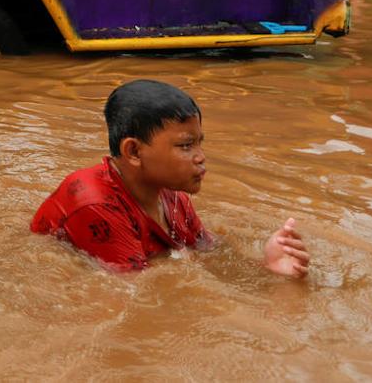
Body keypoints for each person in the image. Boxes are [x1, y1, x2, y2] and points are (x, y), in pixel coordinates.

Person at [30, 79, 309, 277]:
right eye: (186, 146)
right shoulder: (95, 205)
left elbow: (207, 252)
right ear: (134, 151)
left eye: (199, 143)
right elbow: (139, 294)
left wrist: (268, 266)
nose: (201, 157)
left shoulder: (170, 195)